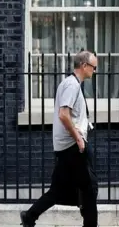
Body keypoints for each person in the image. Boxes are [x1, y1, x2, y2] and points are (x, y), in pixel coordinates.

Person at [20, 51, 99, 227]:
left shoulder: (69, 83)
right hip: (73, 146)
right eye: (94, 67)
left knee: (58, 190)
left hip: (65, 147)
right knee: (90, 187)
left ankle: (30, 216)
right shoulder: (72, 85)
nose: (95, 71)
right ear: (84, 66)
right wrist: (78, 137)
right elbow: (64, 115)